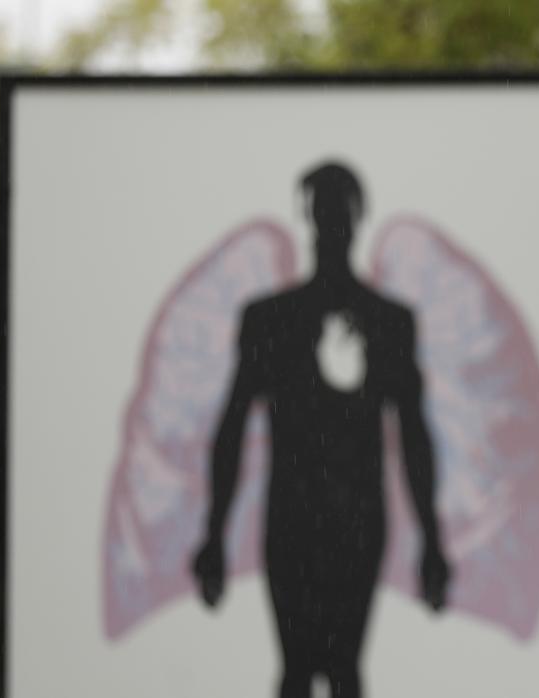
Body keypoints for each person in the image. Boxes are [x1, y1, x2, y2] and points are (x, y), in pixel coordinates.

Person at [191, 162, 450, 698]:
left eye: (338, 212)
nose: (332, 224)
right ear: (312, 218)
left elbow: (415, 435)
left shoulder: (382, 323)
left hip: (350, 521)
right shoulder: (275, 319)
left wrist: (432, 537)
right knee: (308, 669)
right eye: (325, 211)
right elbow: (232, 427)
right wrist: (213, 532)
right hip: (297, 520)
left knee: (337, 668)